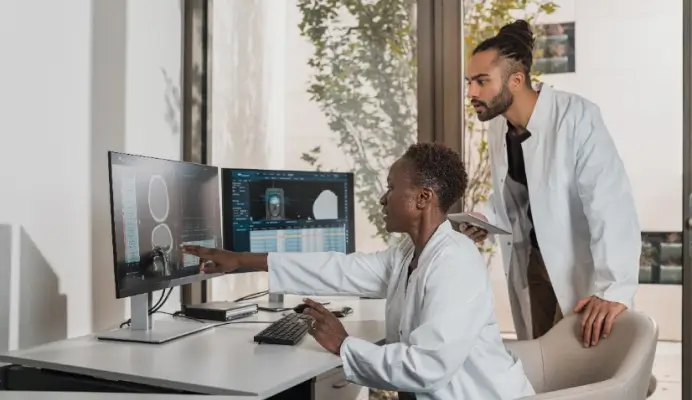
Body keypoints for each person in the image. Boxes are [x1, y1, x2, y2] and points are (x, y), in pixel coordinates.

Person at [182, 143, 535, 400]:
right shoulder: (409, 253)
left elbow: (428, 367)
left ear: (423, 198)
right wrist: (241, 261)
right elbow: (339, 269)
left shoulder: (456, 261)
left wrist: (344, 345)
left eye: (391, 187)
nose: (383, 199)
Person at [462, 20, 641, 348]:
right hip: (533, 262)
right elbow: (517, 194)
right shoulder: (499, 126)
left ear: (516, 80)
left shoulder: (576, 116)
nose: (471, 92)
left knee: (585, 367)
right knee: (543, 363)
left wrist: (614, 289)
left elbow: (611, 205)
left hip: (580, 269)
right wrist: (487, 218)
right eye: (470, 82)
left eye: (481, 81)